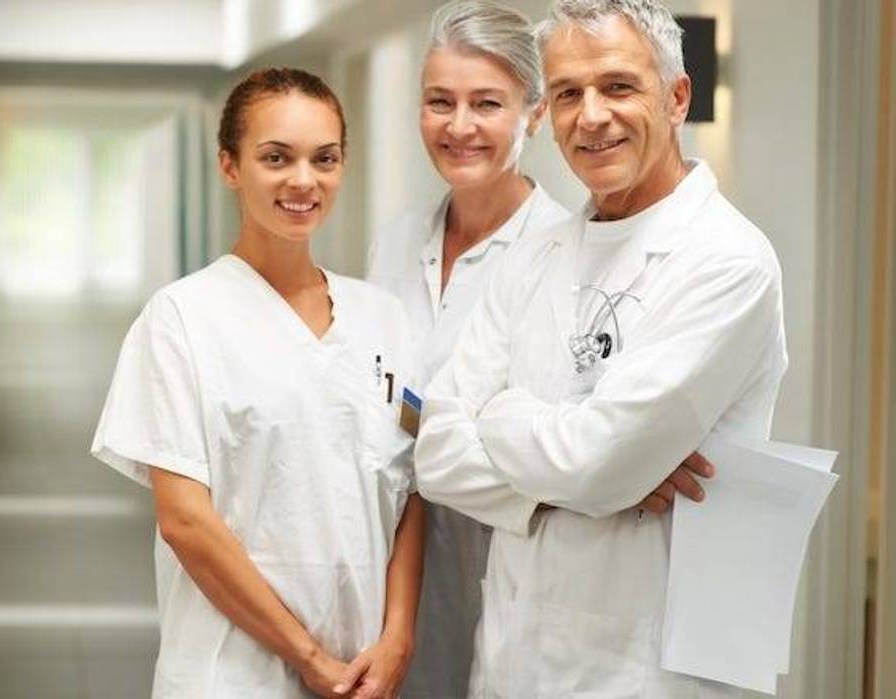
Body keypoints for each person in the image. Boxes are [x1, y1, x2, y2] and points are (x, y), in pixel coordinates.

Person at [413, 0, 787, 696]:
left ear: (676, 98)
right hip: (508, 662)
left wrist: (499, 415)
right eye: (566, 93)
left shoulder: (726, 261)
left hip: (647, 669)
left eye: (617, 86)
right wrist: (575, 477)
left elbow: (596, 465)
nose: (590, 116)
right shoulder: (535, 254)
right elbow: (436, 453)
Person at [91, 68, 427, 699]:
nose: (303, 180)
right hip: (231, 675)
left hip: (363, 674)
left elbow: (410, 490)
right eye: (276, 158)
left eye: (324, 159)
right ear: (230, 166)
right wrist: (310, 659)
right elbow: (184, 522)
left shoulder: (383, 317)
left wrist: (398, 637)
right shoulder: (182, 318)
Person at [365, 3, 569, 696]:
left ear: (534, 114)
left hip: (511, 563)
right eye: (439, 102)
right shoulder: (396, 243)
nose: (459, 126)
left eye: (486, 103)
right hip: (394, 556)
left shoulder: (563, 256)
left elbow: (566, 450)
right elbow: (383, 398)